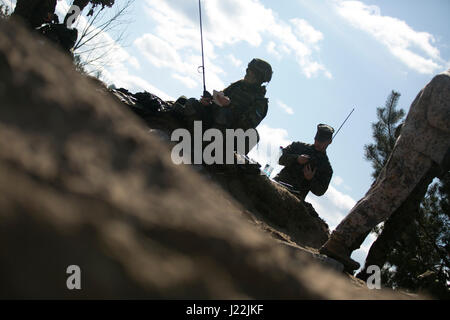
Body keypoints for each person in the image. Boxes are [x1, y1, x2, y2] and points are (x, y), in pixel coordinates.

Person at [319, 69, 450, 272]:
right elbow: (437, 117)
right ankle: (339, 241)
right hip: (415, 152)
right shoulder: (446, 81)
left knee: (384, 201)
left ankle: (343, 245)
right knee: (383, 200)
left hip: (422, 156)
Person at [173, 58, 272, 154]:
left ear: (260, 79)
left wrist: (230, 106)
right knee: (191, 102)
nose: (248, 75)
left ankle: (204, 148)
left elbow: (246, 125)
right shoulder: (237, 85)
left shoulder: (260, 102)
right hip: (211, 122)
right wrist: (208, 101)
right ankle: (193, 137)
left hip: (228, 135)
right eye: (248, 71)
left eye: (253, 74)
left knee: (224, 114)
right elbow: (219, 98)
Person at [274, 124, 334, 201]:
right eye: (317, 139)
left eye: (321, 141)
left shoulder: (326, 168)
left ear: (329, 142)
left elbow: (320, 191)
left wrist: (311, 178)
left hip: (295, 198)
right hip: (278, 183)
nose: (317, 143)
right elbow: (278, 158)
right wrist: (296, 159)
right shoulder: (298, 146)